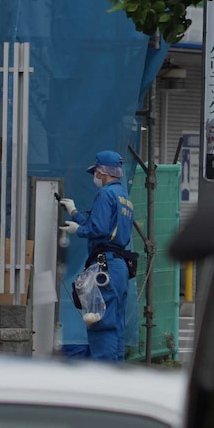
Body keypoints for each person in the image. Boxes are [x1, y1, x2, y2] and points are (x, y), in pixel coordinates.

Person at [59, 151, 135, 361]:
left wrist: (78, 230)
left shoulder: (105, 194)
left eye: (96, 172)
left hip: (105, 265)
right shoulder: (124, 197)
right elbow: (103, 227)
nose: (95, 176)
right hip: (119, 266)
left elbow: (98, 229)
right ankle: (116, 376)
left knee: (101, 324)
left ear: (102, 171)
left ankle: (104, 377)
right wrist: (74, 213)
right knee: (115, 325)